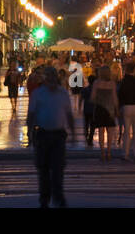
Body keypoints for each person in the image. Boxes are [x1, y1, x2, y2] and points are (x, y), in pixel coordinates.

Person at [26, 66, 75, 208]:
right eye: (49, 77)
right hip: (42, 134)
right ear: (45, 79)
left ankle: (58, 197)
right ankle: (44, 199)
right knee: (43, 169)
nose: (52, 80)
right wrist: (30, 132)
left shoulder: (63, 93)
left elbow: (69, 114)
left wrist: (72, 133)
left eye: (54, 77)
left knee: (58, 169)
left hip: (58, 135)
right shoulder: (38, 93)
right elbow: (31, 114)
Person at [90, 65, 119, 161]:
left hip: (100, 108)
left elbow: (93, 97)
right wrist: (116, 109)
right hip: (110, 109)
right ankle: (109, 152)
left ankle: (102, 152)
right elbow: (115, 98)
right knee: (110, 131)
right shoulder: (112, 83)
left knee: (101, 132)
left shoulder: (96, 83)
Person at [81, 69, 97, 145]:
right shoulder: (96, 90)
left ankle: (86, 135)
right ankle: (90, 138)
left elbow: (82, 98)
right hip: (93, 109)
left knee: (86, 123)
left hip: (86, 108)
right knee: (93, 124)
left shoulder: (85, 89)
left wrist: (79, 106)